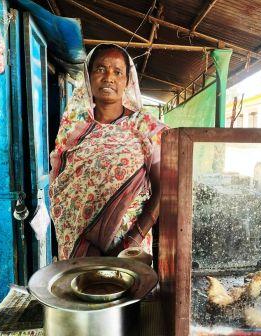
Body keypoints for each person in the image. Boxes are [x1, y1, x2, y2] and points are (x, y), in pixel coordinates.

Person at [49, 44, 168, 260]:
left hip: (129, 247)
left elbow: (165, 188)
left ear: (127, 81)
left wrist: (133, 238)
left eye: (117, 71)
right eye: (100, 69)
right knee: (79, 290)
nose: (108, 77)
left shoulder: (146, 127)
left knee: (129, 292)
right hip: (78, 243)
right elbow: (62, 186)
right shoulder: (73, 126)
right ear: (88, 75)